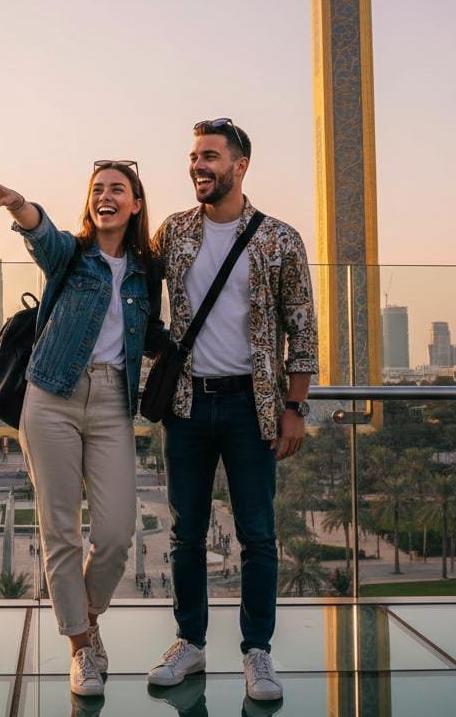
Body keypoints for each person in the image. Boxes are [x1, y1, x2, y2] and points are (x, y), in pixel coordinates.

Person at [146, 119, 317, 703]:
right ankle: (189, 643)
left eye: (210, 156)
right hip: (188, 404)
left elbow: (303, 330)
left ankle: (256, 653)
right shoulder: (173, 233)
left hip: (253, 406)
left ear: (240, 166)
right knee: (185, 535)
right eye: (194, 156)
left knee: (258, 536)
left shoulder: (279, 239)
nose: (198, 165)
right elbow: (131, 288)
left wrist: (295, 407)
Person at [0, 162, 160, 698]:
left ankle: (87, 616)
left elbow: (150, 334)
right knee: (59, 531)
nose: (106, 196)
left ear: (135, 205)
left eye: (117, 190)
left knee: (116, 534)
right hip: (51, 396)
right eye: (98, 190)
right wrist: (16, 203)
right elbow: (41, 232)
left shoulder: (147, 272)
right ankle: (82, 649)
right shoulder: (71, 256)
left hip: (112, 404)